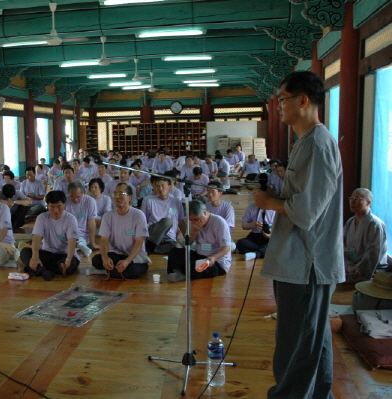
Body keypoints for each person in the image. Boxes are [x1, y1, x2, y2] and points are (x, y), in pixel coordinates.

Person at [253, 71, 344, 399]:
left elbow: (307, 212)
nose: (278, 106)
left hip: (307, 263)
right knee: (312, 340)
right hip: (299, 261)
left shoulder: (318, 143)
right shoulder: (306, 141)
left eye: (282, 100)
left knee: (296, 344)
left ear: (303, 101)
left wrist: (268, 202)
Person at [90, 183, 150, 279]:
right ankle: (113, 270)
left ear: (129, 197)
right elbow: (104, 240)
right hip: (117, 255)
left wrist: (127, 261)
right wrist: (105, 258)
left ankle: (109, 272)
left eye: (121, 193)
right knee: (96, 260)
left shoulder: (138, 215)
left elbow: (139, 242)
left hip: (135, 257)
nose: (117, 197)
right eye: (115, 193)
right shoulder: (108, 216)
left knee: (133, 271)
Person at [20, 191, 80, 281]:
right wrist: (35, 257)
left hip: (64, 254)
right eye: (52, 207)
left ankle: (39, 269)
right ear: (47, 206)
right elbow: (36, 238)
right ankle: (43, 271)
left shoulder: (70, 219)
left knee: (67, 266)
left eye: (59, 206)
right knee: (25, 252)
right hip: (48, 253)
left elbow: (72, 241)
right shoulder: (42, 217)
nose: (55, 210)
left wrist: (68, 259)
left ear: (64, 205)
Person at [166, 200, 231, 282]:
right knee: (174, 251)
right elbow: (188, 244)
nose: (193, 222)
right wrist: (194, 231)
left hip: (216, 261)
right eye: (191, 220)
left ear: (204, 213)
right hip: (200, 255)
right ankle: (180, 272)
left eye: (196, 219)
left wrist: (213, 258)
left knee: (194, 266)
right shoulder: (192, 223)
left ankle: (183, 273)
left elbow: (226, 247)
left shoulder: (219, 222)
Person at [343, 188, 388, 283]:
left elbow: (373, 254)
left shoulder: (375, 224)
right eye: (351, 198)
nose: (352, 202)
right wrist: (349, 266)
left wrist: (358, 269)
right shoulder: (350, 222)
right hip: (350, 267)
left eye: (357, 199)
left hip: (371, 270)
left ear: (368, 202)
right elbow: (341, 246)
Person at [141, 176, 186, 254]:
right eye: (158, 186)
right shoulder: (149, 201)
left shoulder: (176, 201)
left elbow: (181, 222)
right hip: (153, 233)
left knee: (178, 249)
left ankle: (151, 247)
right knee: (167, 221)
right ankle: (150, 245)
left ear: (169, 187)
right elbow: (143, 221)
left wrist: (187, 242)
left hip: (168, 237)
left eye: (163, 185)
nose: (160, 188)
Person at [65, 182, 99, 257]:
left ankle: (79, 244)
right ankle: (78, 245)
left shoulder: (90, 201)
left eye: (78, 197)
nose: (76, 200)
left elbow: (91, 223)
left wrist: (92, 243)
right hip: (66, 233)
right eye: (72, 197)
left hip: (82, 235)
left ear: (83, 193)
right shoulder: (65, 201)